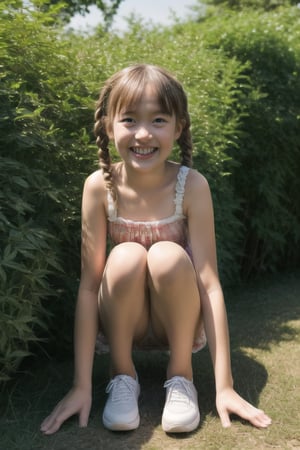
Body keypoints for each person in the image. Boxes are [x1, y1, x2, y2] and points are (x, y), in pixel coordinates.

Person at [41, 63, 272, 435]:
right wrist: (80, 385)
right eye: (129, 119)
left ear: (179, 127)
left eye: (159, 120)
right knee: (126, 256)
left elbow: (209, 284)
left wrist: (226, 385)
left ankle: (181, 376)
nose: (143, 133)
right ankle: (122, 375)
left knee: (166, 255)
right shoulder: (99, 187)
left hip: (175, 317)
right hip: (123, 319)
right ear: (107, 126)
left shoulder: (192, 185)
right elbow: (89, 286)